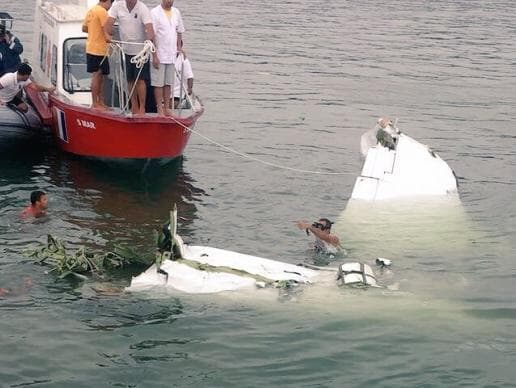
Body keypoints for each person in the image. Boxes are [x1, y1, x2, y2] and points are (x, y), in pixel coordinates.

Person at [104, 0, 154, 116]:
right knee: (129, 80)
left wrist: (149, 40)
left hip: (140, 52)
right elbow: (108, 24)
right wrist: (108, 35)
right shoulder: (117, 6)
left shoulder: (143, 8)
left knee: (141, 80)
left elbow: (150, 29)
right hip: (125, 50)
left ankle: (142, 108)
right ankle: (134, 106)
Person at [150, 0, 184, 116]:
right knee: (158, 83)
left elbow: (179, 31)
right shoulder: (155, 12)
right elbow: (151, 35)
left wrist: (178, 47)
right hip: (159, 54)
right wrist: (154, 55)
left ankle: (167, 107)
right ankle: (159, 107)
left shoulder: (176, 12)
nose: (170, 1)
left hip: (171, 54)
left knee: (168, 82)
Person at [82, 0, 113, 110]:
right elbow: (107, 30)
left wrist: (94, 31)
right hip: (98, 49)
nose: (110, 7)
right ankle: (96, 103)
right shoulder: (102, 11)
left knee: (101, 76)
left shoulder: (91, 10)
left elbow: (84, 28)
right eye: (111, 3)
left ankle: (101, 102)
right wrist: (109, 38)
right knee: (97, 75)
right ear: (107, 2)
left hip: (91, 47)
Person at [173, 40, 193, 109]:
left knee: (173, 104)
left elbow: (190, 76)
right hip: (165, 90)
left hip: (177, 92)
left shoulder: (184, 60)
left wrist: (189, 88)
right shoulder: (164, 57)